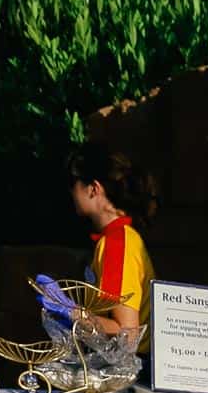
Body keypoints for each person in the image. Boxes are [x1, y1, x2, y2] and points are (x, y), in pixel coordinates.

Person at [67, 145, 156, 349]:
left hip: (132, 371)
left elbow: (126, 332)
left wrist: (72, 314)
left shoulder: (117, 242)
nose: (71, 192)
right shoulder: (117, 237)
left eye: (74, 184)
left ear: (94, 189)